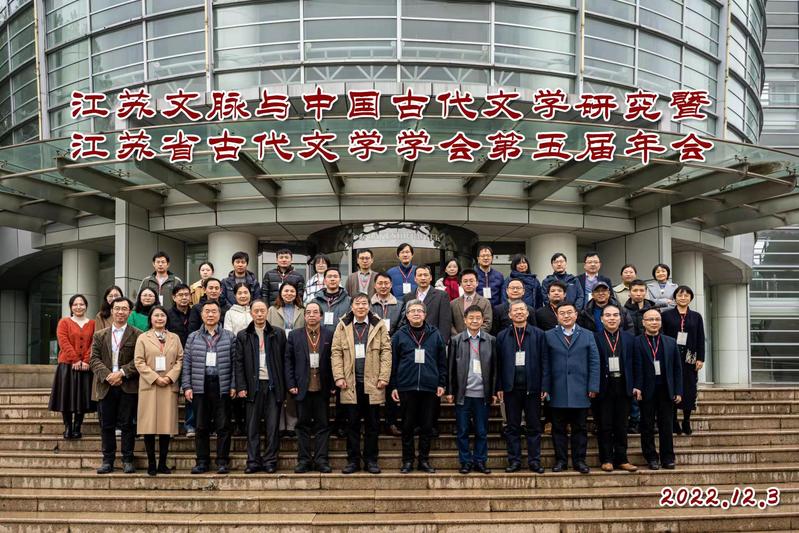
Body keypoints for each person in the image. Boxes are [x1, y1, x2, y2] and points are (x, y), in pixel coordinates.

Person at [331, 294, 392, 474]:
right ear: (351, 306)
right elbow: (336, 352)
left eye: (364, 303)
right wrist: (339, 376)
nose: (361, 307)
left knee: (373, 425)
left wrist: (384, 377)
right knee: (352, 425)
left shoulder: (378, 325)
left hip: (372, 383)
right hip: (350, 384)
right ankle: (353, 461)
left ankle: (371, 460)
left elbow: (386, 352)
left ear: (369, 306)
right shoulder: (343, 325)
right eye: (357, 304)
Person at [390, 300, 447, 474]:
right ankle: (407, 460)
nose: (416, 313)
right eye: (412, 311)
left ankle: (424, 460)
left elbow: (442, 361)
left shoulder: (435, 334)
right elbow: (393, 362)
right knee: (407, 426)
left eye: (419, 311)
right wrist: (394, 385)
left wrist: (442, 382)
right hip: (406, 386)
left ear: (425, 314)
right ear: (407, 315)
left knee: (427, 426)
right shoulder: (399, 335)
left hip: (429, 387)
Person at [543, 302, 599, 474]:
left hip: (580, 389)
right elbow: (545, 363)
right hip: (557, 389)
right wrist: (545, 387)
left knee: (580, 428)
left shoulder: (587, 335)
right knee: (558, 428)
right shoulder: (548, 335)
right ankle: (561, 461)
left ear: (576, 314)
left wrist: (593, 385)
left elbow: (594, 362)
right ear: (557, 316)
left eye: (569, 312)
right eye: (562, 313)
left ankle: (579, 461)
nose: (566, 316)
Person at [182, 300, 237, 474]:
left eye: (214, 311)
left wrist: (233, 385)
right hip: (200, 384)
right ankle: (202, 461)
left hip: (222, 384)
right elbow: (187, 364)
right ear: (201, 314)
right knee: (201, 426)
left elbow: (235, 364)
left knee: (223, 426)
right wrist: (187, 386)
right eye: (207, 311)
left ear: (220, 314)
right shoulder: (193, 337)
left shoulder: (229, 336)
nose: (210, 314)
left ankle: (222, 461)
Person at [89, 297, 142, 474]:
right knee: (107, 425)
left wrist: (122, 373)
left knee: (127, 425)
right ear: (111, 311)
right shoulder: (100, 335)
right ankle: (108, 460)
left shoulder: (138, 334)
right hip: (106, 385)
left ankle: (128, 459)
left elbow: (139, 360)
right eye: (117, 308)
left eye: (124, 309)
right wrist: (108, 375)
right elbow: (93, 359)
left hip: (127, 385)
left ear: (129, 312)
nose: (120, 312)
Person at [235, 300, 287, 474]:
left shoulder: (277, 333)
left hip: (273, 385)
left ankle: (270, 460)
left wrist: (284, 387)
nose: (259, 314)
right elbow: (239, 363)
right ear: (251, 313)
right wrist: (241, 386)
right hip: (253, 386)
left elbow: (285, 360)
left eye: (262, 311)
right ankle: (253, 461)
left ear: (267, 313)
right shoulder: (243, 335)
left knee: (272, 426)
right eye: (256, 311)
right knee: (252, 427)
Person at [496, 301, 548, 473]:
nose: (519, 313)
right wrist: (499, 386)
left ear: (527, 313)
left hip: (533, 388)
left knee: (534, 426)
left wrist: (544, 385)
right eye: (515, 310)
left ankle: (534, 461)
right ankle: (514, 461)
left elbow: (545, 361)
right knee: (512, 427)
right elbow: (498, 363)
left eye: (522, 310)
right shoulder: (502, 336)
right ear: (509, 315)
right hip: (510, 389)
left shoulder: (539, 334)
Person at [447, 305, 498, 475]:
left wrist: (494, 391)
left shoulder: (490, 340)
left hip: (482, 394)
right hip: (463, 394)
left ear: (483, 320)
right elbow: (450, 367)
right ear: (465, 320)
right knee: (462, 431)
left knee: (481, 431)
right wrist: (450, 391)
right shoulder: (457, 340)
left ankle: (480, 461)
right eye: (471, 318)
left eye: (478, 318)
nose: (474, 321)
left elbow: (495, 369)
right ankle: (465, 462)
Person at [134, 305, 183, 476]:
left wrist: (169, 377)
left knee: (165, 426)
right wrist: (155, 377)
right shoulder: (143, 338)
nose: (160, 318)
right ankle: (151, 463)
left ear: (167, 318)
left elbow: (180, 359)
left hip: (168, 385)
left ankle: (162, 463)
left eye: (162, 315)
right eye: (156, 316)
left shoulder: (174, 338)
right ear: (151, 319)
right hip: (150, 385)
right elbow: (139, 361)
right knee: (148, 426)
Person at [285, 302, 334, 473]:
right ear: (304, 316)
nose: (312, 315)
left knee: (323, 426)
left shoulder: (329, 335)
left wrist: (333, 384)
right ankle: (304, 460)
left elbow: (334, 360)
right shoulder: (294, 335)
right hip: (302, 388)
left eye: (315, 312)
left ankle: (321, 460)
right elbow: (288, 361)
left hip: (322, 387)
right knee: (302, 426)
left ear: (321, 316)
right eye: (308, 312)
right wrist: (291, 384)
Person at [594, 304, 639, 473]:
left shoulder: (630, 338)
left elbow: (636, 364)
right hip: (603, 387)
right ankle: (606, 459)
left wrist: (636, 385)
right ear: (602, 319)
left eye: (615, 315)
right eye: (608, 315)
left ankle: (622, 459)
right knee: (604, 425)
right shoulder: (595, 338)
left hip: (624, 386)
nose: (612, 318)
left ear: (620, 318)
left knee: (621, 425)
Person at [637, 308, 682, 470]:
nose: (654, 322)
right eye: (650, 319)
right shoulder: (636, 342)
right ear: (643, 323)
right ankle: (651, 457)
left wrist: (678, 390)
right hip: (646, 390)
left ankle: (668, 457)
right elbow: (635, 367)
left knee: (666, 425)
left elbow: (677, 368)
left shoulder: (670, 342)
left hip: (666, 389)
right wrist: (637, 387)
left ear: (661, 322)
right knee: (647, 425)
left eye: (657, 319)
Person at [49, 294, 96, 440]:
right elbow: (63, 341)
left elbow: (94, 343)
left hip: (85, 366)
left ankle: (77, 426)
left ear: (86, 306)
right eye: (75, 304)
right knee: (66, 396)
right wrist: (75, 359)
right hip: (67, 366)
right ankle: (68, 426)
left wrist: (86, 360)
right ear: (71, 307)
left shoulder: (93, 324)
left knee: (82, 397)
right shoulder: (64, 322)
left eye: (81, 304)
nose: (78, 307)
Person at [661, 286, 705, 436]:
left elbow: (700, 337)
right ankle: (673, 421)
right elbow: (662, 336)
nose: (683, 298)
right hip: (671, 356)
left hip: (690, 356)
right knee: (672, 387)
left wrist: (701, 358)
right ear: (675, 298)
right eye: (680, 295)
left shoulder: (696, 316)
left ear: (690, 298)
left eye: (686, 295)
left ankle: (686, 420)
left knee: (689, 388)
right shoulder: (666, 315)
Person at [267, 281, 305, 438]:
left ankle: (291, 424)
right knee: (279, 388)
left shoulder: (302, 310)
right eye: (286, 291)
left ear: (296, 293)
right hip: (277, 352)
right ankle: (280, 424)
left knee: (292, 389)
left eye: (292, 291)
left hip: (296, 353)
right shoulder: (272, 310)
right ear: (280, 293)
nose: (289, 294)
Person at [370, 272, 403, 436]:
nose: (383, 286)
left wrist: (389, 341)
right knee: (373, 385)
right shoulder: (368, 305)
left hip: (392, 349)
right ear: (375, 285)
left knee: (391, 385)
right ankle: (373, 423)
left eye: (386, 283)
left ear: (391, 285)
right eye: (380, 283)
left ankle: (391, 422)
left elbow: (402, 326)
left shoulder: (400, 305)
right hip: (372, 349)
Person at [224, 283, 253, 437]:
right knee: (237, 387)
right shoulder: (230, 313)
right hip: (237, 353)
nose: (243, 296)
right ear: (235, 295)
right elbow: (228, 334)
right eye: (240, 293)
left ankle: (250, 423)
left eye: (245, 292)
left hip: (255, 354)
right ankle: (238, 423)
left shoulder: (255, 309)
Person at [166, 283, 195, 436]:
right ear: (174, 297)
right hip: (173, 360)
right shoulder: (167, 314)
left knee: (191, 392)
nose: (184, 298)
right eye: (180, 295)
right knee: (171, 393)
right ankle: (169, 426)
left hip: (193, 358)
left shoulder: (196, 312)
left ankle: (190, 425)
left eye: (186, 295)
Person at [399, 265, 452, 337]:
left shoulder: (442, 296)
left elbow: (445, 323)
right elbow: (405, 321)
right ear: (415, 279)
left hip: (433, 338)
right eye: (420, 275)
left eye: (425, 275)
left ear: (431, 278)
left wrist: (442, 341)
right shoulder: (407, 297)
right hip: (412, 339)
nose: (423, 278)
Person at [450, 269, 492, 336]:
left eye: (471, 281)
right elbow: (450, 323)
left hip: (478, 340)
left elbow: (487, 323)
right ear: (460, 284)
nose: (468, 284)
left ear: (477, 283)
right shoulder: (453, 303)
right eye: (465, 281)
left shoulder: (485, 302)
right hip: (457, 340)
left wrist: (473, 336)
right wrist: (458, 338)